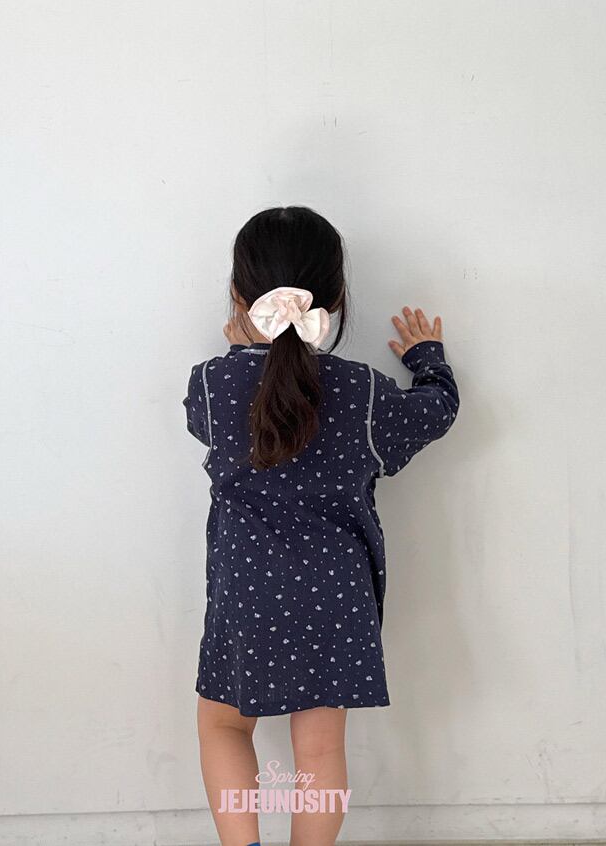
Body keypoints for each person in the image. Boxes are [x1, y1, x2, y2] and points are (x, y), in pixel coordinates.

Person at [182, 206, 460, 846]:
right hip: (335, 596)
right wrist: (429, 359)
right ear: (337, 300)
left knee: (224, 727)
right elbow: (437, 411)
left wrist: (241, 351)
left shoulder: (214, 384)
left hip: (246, 591)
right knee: (320, 753)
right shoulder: (364, 392)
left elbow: (205, 425)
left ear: (238, 296)